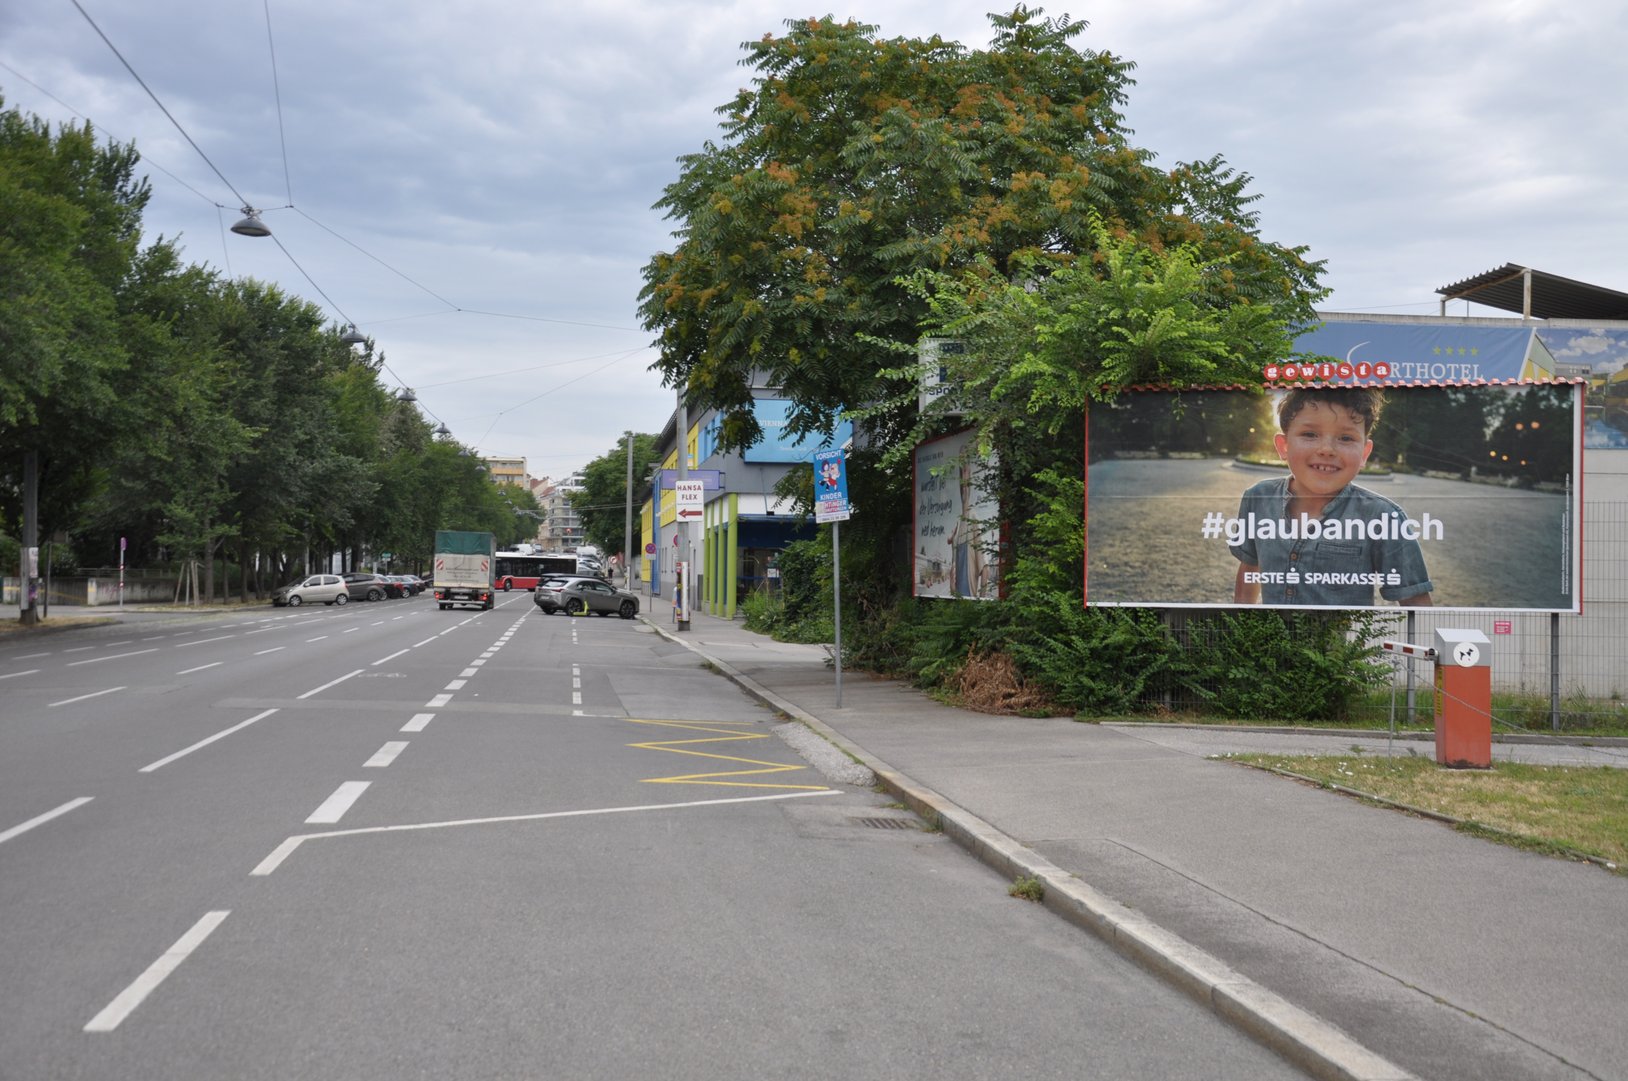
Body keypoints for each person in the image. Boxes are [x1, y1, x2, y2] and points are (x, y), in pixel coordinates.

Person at [1231, 386, 1433, 607]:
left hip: (1344, 643)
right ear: (1284, 446)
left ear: (1364, 453)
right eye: (1310, 434)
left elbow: (1415, 603)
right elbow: (1250, 568)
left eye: (1346, 438)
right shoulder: (1257, 498)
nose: (1327, 450)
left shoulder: (1384, 517)